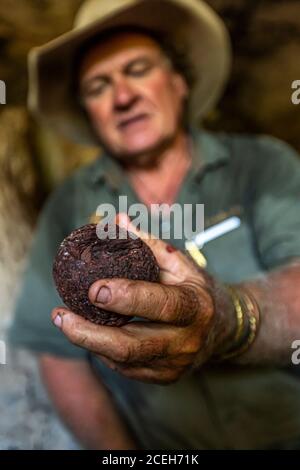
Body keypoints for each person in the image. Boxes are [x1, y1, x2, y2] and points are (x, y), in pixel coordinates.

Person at [9, 0, 300, 450]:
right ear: (90, 113)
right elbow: (57, 352)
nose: (122, 96)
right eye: (99, 86)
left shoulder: (263, 164)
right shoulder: (69, 204)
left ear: (180, 83)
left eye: (138, 68)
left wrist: (226, 315)